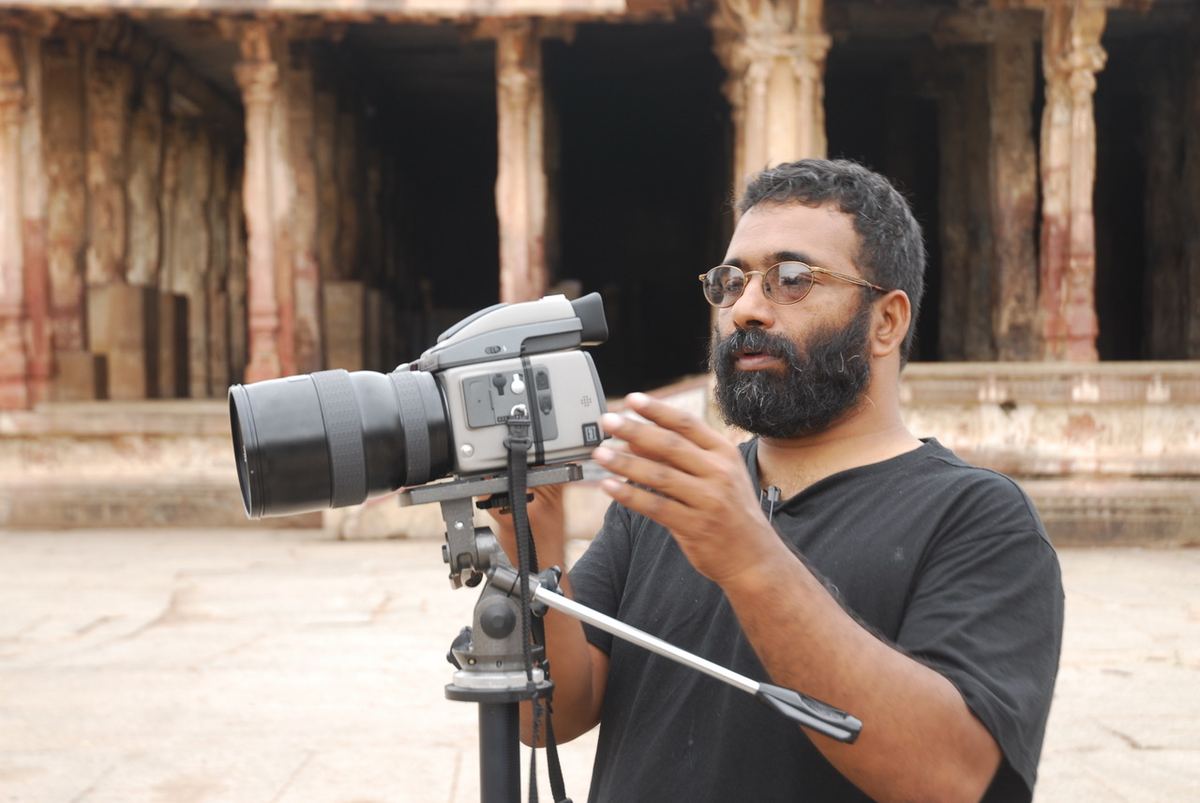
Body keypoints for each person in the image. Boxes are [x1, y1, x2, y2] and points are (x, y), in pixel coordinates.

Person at [490, 159, 1064, 802]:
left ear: (887, 322)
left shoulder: (976, 516)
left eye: (791, 280)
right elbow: (555, 715)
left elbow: (954, 780)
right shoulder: (672, 494)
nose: (746, 310)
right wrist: (531, 540)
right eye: (731, 282)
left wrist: (751, 560)